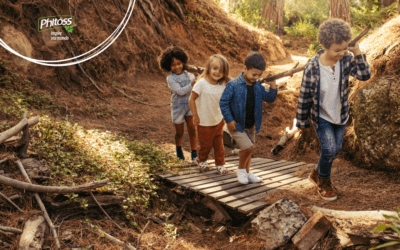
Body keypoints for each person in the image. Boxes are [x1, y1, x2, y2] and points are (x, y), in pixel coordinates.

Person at [296, 18, 371, 201]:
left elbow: (364, 74)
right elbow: (304, 97)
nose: (342, 53)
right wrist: (302, 122)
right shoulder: (313, 67)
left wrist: (357, 52)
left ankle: (316, 172)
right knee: (329, 149)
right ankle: (324, 182)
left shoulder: (346, 60)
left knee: (335, 150)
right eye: (337, 50)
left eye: (345, 48)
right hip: (321, 116)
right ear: (325, 45)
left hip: (340, 114)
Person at [220, 51, 277, 184]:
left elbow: (270, 98)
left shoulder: (258, 86)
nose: (256, 77)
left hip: (251, 125)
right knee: (247, 148)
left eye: (259, 75)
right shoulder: (233, 85)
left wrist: (273, 85)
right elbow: (223, 103)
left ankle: (247, 172)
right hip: (237, 125)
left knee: (249, 150)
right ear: (245, 68)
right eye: (254, 74)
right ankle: (241, 171)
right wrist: (229, 119)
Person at [189, 54, 230, 174]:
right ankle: (201, 160)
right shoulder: (201, 83)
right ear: (209, 68)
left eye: (221, 71)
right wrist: (195, 116)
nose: (217, 72)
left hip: (218, 120)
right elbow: (191, 99)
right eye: (215, 68)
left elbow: (223, 103)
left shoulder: (222, 86)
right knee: (206, 145)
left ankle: (220, 164)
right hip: (204, 121)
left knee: (219, 145)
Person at [158, 46, 197, 161]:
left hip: (190, 105)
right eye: (173, 65)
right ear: (168, 66)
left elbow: (197, 84)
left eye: (179, 63)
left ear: (183, 62)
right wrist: (193, 83)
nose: (177, 67)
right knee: (179, 132)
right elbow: (180, 91)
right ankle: (179, 149)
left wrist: (197, 76)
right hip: (178, 107)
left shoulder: (189, 74)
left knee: (192, 129)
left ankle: (194, 153)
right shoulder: (170, 78)